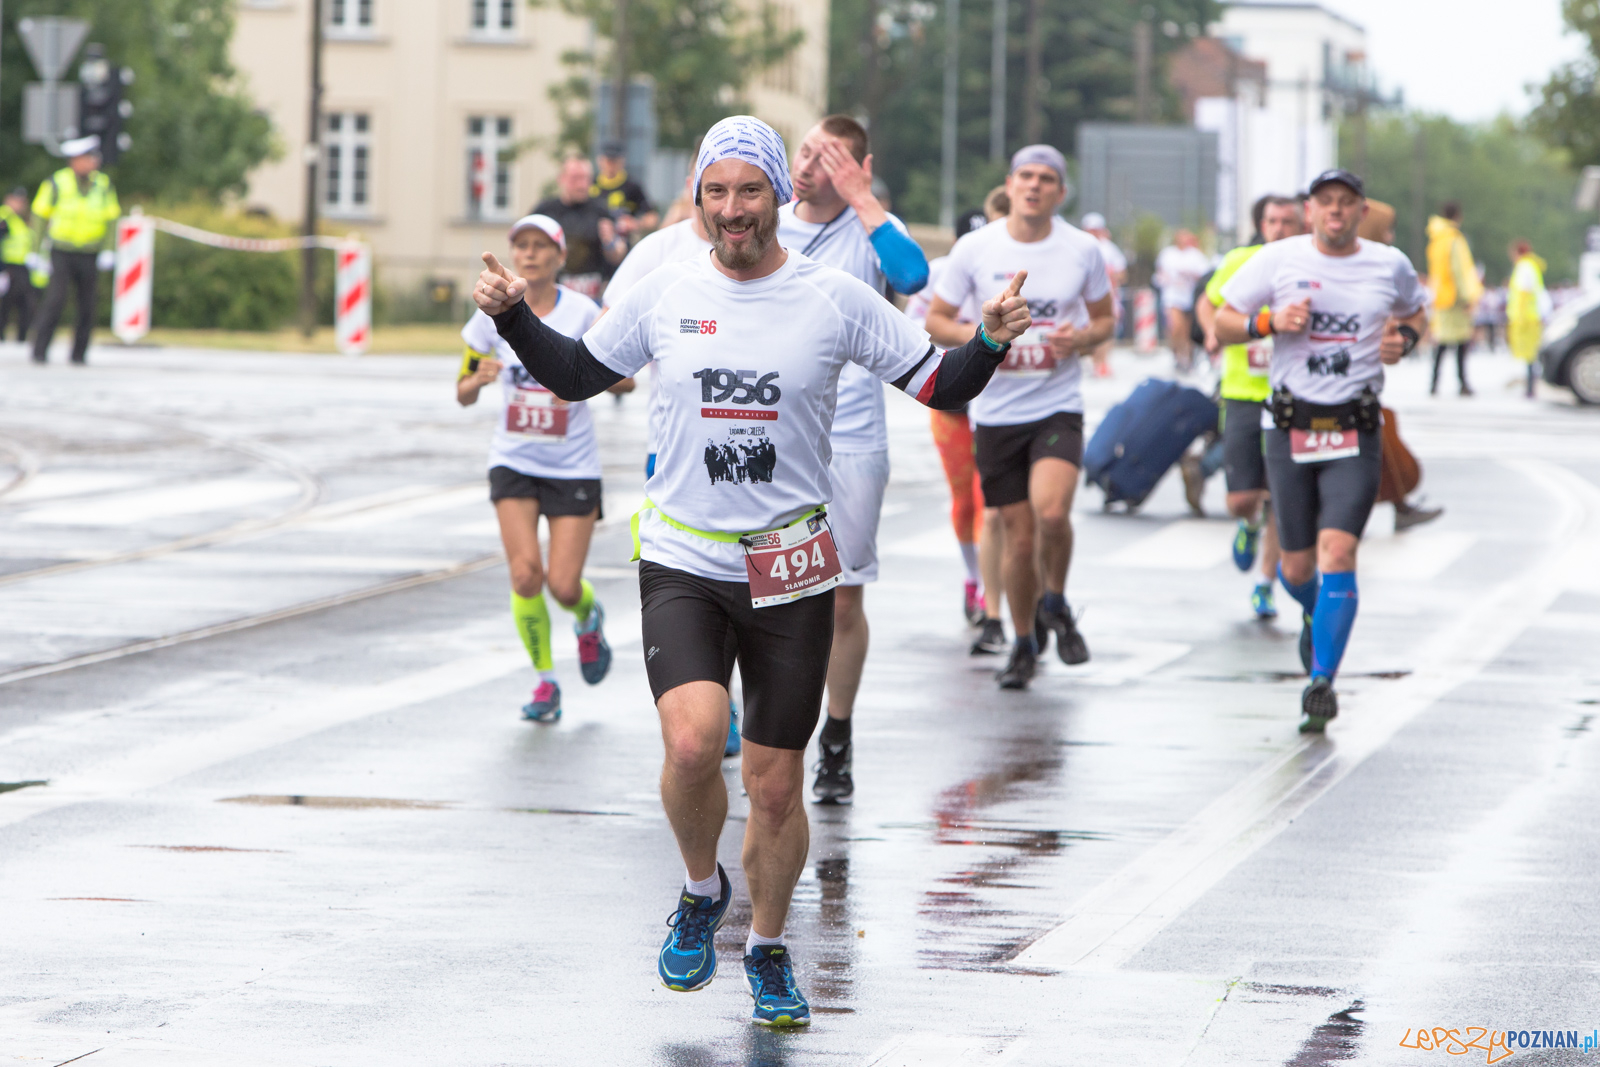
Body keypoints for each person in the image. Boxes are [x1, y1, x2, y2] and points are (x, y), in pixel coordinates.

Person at [472, 115, 1030, 1028]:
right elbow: (576, 373)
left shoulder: (835, 298)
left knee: (775, 782)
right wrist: (512, 318)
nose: (734, 210)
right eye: (717, 191)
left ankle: (769, 949)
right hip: (684, 555)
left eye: (750, 190)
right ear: (699, 198)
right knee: (693, 743)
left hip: (789, 566)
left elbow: (938, 383)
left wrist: (993, 342)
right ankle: (701, 890)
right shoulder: (665, 290)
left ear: (778, 196)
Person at [1215, 168, 1428, 733]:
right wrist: (1267, 320)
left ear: (1361, 210)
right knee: (1297, 566)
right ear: (1311, 210)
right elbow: (1222, 322)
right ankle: (1315, 610)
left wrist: (1401, 340)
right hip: (1288, 427)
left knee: (1339, 553)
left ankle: (1322, 683)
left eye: (1346, 202)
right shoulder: (1277, 259)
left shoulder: (1389, 264)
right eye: (1325, 202)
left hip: (1355, 430)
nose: (1335, 211)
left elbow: (1415, 313)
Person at [778, 114, 929, 806]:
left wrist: (864, 200)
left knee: (841, 598)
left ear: (857, 170)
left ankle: (835, 734)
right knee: (768, 590)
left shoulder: (871, 234)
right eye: (806, 150)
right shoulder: (766, 221)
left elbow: (914, 275)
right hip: (770, 434)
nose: (809, 165)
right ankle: (773, 730)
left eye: (829, 159)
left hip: (853, 437)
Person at [924, 145, 1115, 690]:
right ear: (1009, 185)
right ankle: (1025, 641)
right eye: (1025, 176)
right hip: (996, 410)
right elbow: (936, 319)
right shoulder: (975, 248)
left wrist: (1079, 339)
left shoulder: (1082, 249)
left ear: (1060, 191)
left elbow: (1106, 321)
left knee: (1053, 513)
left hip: (1057, 404)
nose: (1034, 186)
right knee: (1018, 534)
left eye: (1046, 178)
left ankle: (1055, 600)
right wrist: (987, 337)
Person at [457, 215, 620, 722]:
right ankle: (546, 681)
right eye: (520, 246)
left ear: (559, 256)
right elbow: (461, 391)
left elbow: (623, 379)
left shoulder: (583, 311)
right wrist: (477, 380)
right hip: (514, 461)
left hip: (572, 465)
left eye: (539, 246)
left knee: (563, 585)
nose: (528, 254)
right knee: (526, 575)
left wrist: (594, 371)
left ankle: (588, 616)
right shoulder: (491, 310)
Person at [1196, 194, 1303, 619]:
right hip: (1242, 390)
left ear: (1301, 224)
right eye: (1271, 220)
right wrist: (1211, 332)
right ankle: (1249, 523)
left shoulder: (1310, 264)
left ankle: (1265, 584)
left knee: (1282, 494)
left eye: (1287, 221)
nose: (1278, 228)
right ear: (1261, 224)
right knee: (1242, 499)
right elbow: (1209, 302)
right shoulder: (1242, 260)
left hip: (1291, 395)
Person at [30, 135, 119, 365]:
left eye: (93, 159)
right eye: (86, 158)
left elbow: (112, 219)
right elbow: (40, 216)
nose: (92, 163)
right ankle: (39, 350)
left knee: (87, 304)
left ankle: (79, 354)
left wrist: (109, 250)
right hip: (62, 250)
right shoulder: (57, 182)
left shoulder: (103, 184)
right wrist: (35, 250)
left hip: (90, 252)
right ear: (74, 161)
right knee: (56, 300)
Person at [532, 155, 628, 300]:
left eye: (586, 178)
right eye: (575, 178)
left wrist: (610, 242)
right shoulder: (545, 211)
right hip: (553, 295)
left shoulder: (601, 211)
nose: (582, 185)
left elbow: (620, 254)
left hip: (593, 297)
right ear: (561, 179)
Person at [1425, 202, 1482, 396]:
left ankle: (1434, 382)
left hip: (1440, 296)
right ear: (1458, 216)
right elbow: (1460, 270)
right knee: (1460, 343)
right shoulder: (1454, 239)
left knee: (1442, 342)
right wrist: (1468, 296)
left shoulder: (1436, 239)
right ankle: (1462, 383)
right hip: (1455, 298)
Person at [1155, 229, 1210, 372]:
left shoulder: (1195, 255)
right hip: (1173, 297)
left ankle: (1187, 357)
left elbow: (1204, 275)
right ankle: (1177, 354)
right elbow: (1160, 272)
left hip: (1190, 297)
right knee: (1176, 327)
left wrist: (1189, 274)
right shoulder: (1168, 253)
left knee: (1187, 329)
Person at [1080, 212, 1127, 379]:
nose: (1093, 233)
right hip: (1084, 299)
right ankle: (1094, 361)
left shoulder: (1110, 249)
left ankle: (1102, 362)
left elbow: (1122, 274)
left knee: (1106, 326)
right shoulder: (1080, 247)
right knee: (1089, 328)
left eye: (1096, 229)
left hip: (1109, 296)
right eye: (1090, 229)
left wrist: (1111, 276)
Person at [591, 140, 660, 238]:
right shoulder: (590, 185)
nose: (611, 164)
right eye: (608, 160)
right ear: (599, 160)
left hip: (623, 242)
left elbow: (653, 218)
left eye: (614, 160)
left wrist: (636, 223)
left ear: (622, 161)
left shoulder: (632, 186)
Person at [1506, 239, 1548, 399]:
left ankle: (1531, 387)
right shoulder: (1530, 266)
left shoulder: (1524, 267)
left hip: (1526, 318)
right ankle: (1531, 386)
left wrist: (1521, 317)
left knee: (1530, 355)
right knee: (1530, 354)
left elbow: (1524, 293)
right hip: (1531, 316)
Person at [0, 187, 39, 342]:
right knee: (6, 303)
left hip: (23, 267)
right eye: (16, 200)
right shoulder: (4, 217)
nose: (19, 204)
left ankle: (22, 336)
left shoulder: (21, 219)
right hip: (8, 266)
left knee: (26, 302)